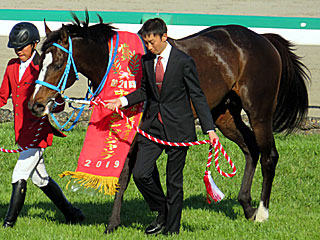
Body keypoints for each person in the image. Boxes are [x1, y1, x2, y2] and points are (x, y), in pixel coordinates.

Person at [106, 18, 219, 235]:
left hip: (179, 129)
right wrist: (121, 101)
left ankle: (171, 230)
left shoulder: (184, 61)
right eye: (145, 43)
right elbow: (144, 92)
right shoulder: (148, 61)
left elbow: (197, 95)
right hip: (152, 127)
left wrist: (209, 129)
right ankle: (162, 210)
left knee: (173, 182)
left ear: (164, 37)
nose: (148, 47)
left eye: (151, 42)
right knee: (141, 173)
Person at [0, 22, 84, 228]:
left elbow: (55, 103)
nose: (19, 50)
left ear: (34, 44)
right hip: (20, 131)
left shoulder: (41, 68)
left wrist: (57, 102)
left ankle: (8, 224)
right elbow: (2, 96)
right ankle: (72, 213)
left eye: (23, 46)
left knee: (19, 174)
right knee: (40, 178)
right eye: (16, 47)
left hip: (38, 132)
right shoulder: (11, 66)